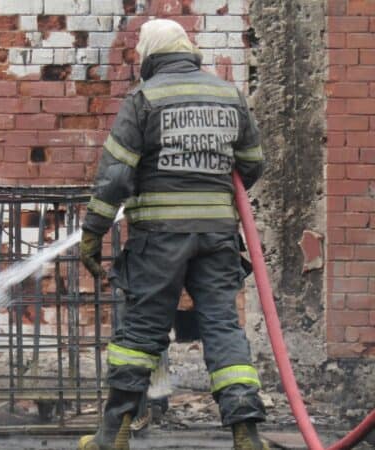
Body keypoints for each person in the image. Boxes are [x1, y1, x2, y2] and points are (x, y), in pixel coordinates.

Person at [78, 19, 268, 450]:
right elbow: (252, 163)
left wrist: (93, 232)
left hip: (158, 240)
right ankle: (246, 433)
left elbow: (114, 177)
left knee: (140, 333)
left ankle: (114, 433)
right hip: (217, 237)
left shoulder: (144, 98)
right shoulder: (227, 94)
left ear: (150, 54)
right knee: (222, 326)